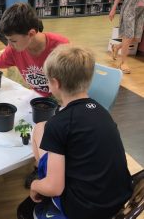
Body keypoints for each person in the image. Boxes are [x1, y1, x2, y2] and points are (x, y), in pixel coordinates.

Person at [17, 45, 132, 219]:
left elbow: (55, 188)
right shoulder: (102, 112)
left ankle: (41, 176)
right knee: (43, 128)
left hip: (84, 210)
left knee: (40, 131)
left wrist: (34, 185)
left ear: (55, 83)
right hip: (119, 201)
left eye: (48, 81)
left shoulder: (58, 124)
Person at [0, 2, 68, 98]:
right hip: (36, 98)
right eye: (7, 40)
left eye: (13, 41)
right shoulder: (14, 49)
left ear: (31, 34)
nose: (9, 45)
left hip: (61, 101)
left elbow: (75, 86)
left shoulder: (61, 48)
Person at [109, 0, 144, 74]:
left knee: (135, 38)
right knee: (128, 36)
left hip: (141, 13)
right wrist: (113, 9)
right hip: (129, 11)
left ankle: (116, 47)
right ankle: (123, 63)